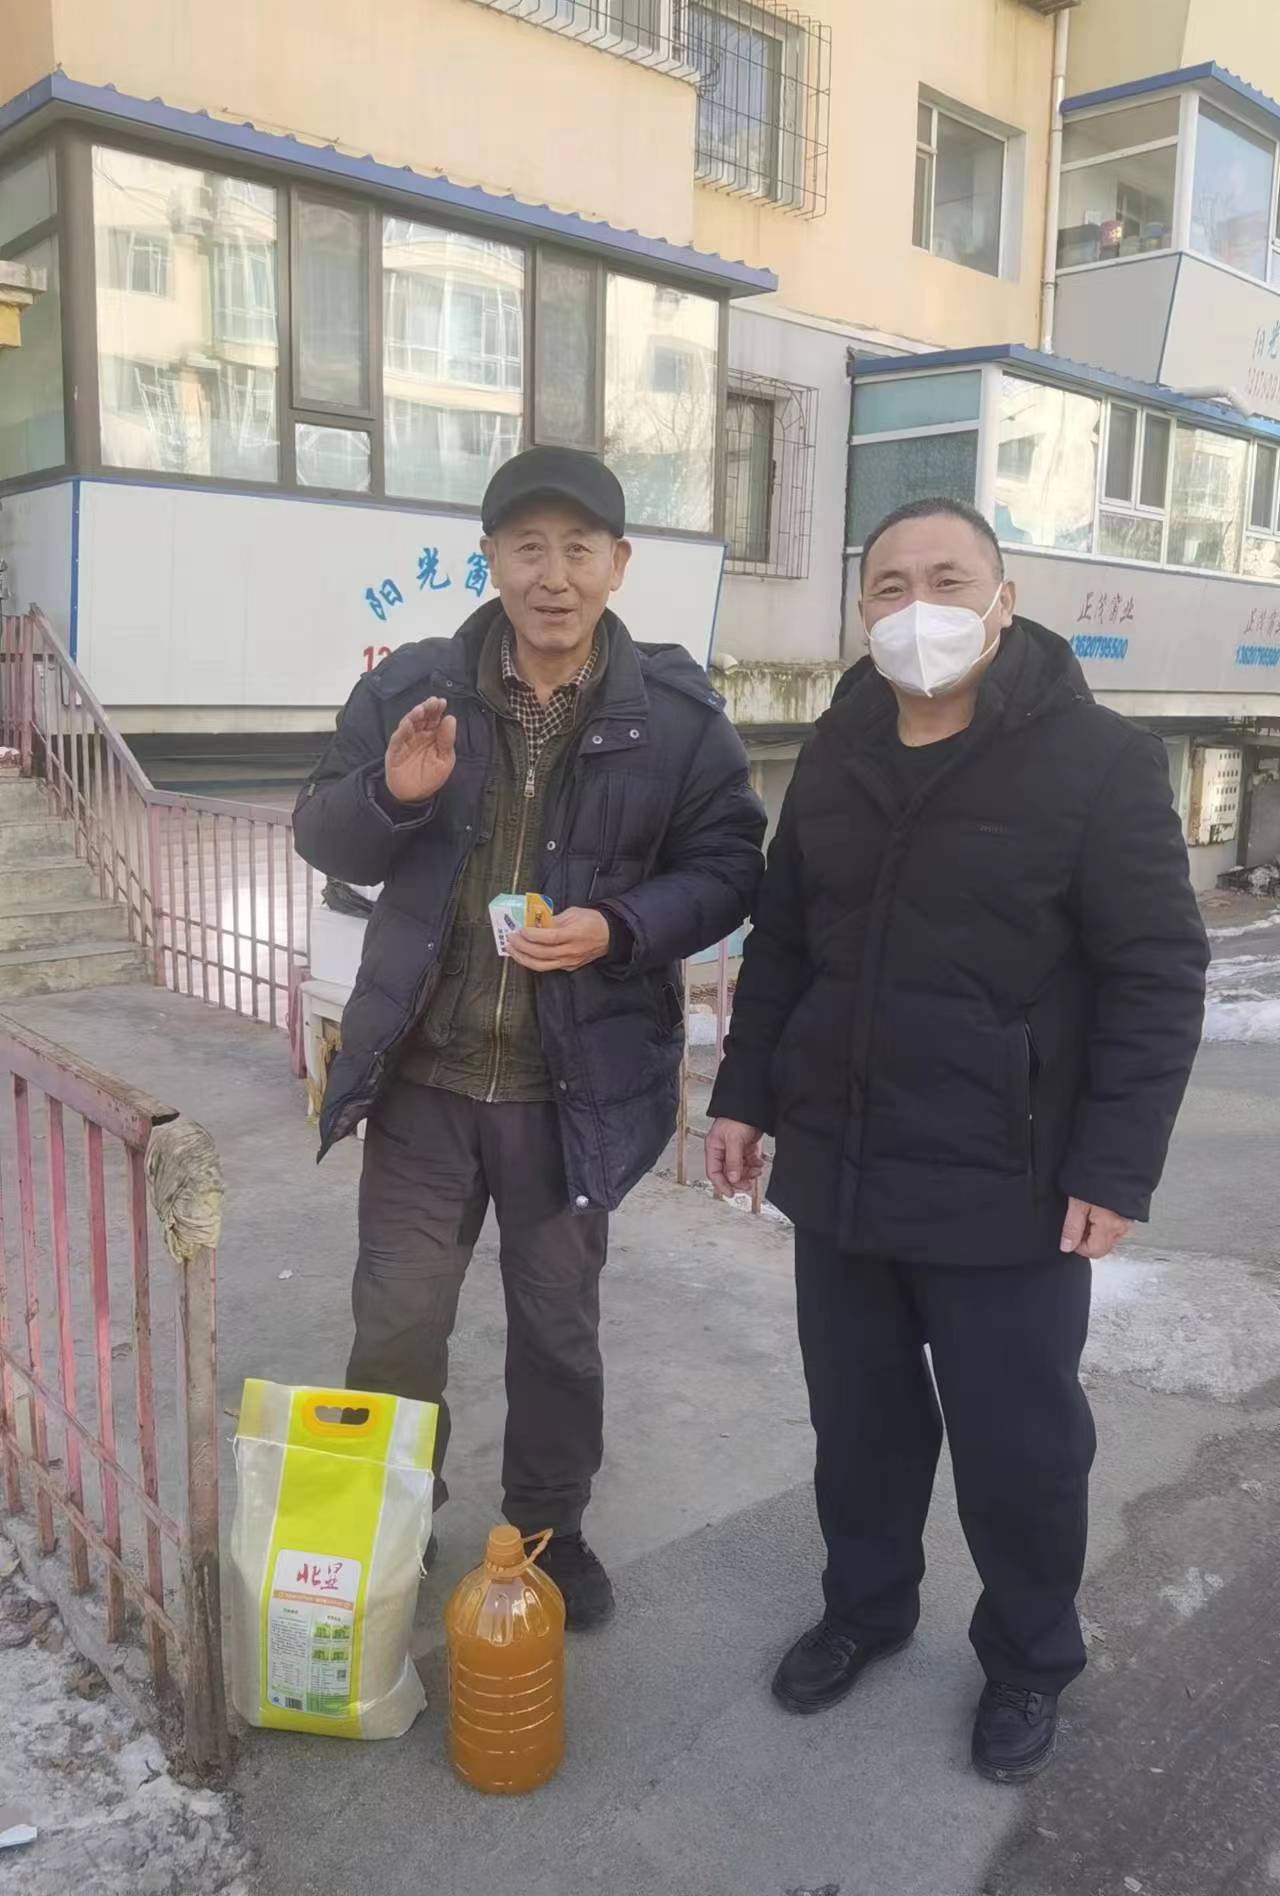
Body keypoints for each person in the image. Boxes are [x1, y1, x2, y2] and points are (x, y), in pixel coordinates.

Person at [706, 497, 1208, 1780]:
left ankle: (1028, 1659)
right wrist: (744, 1095)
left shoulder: (1094, 759)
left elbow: (1154, 974)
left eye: (945, 579)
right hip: (843, 1172)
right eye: (888, 584)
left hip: (1010, 1184)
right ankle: (864, 1610)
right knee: (858, 1429)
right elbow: (785, 943)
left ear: (1001, 599)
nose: (915, 606)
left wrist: (1113, 1167)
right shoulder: (836, 750)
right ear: (860, 607)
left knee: (1019, 1450)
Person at [295, 446, 765, 1629]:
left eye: (577, 549)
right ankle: (390, 1522)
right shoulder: (414, 687)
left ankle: (549, 1531)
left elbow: (728, 868)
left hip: (572, 1090)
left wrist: (620, 926)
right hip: (424, 1076)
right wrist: (393, 795)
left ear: (617, 563)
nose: (552, 576)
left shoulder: (674, 718)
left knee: (557, 1329)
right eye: (527, 548)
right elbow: (323, 832)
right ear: (491, 559)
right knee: (396, 1318)